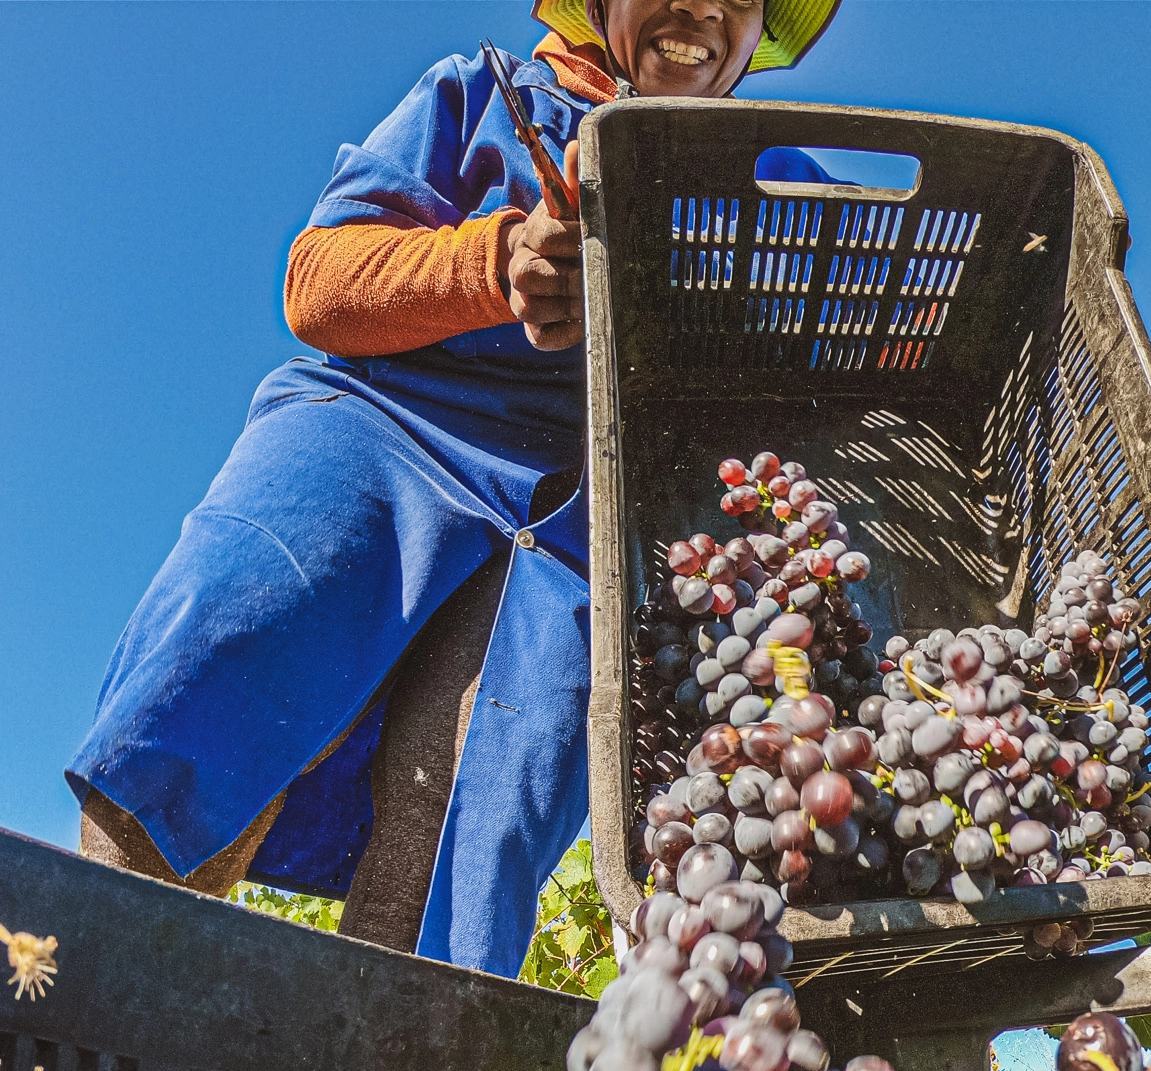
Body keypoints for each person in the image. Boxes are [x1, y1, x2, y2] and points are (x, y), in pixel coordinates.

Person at [67, 0, 841, 978]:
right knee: (238, 632)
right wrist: (491, 259)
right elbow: (318, 281)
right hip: (387, 426)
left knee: (487, 808)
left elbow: (868, 356)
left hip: (588, 515)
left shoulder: (783, 183)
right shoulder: (483, 97)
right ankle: (90, 1007)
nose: (702, 9)